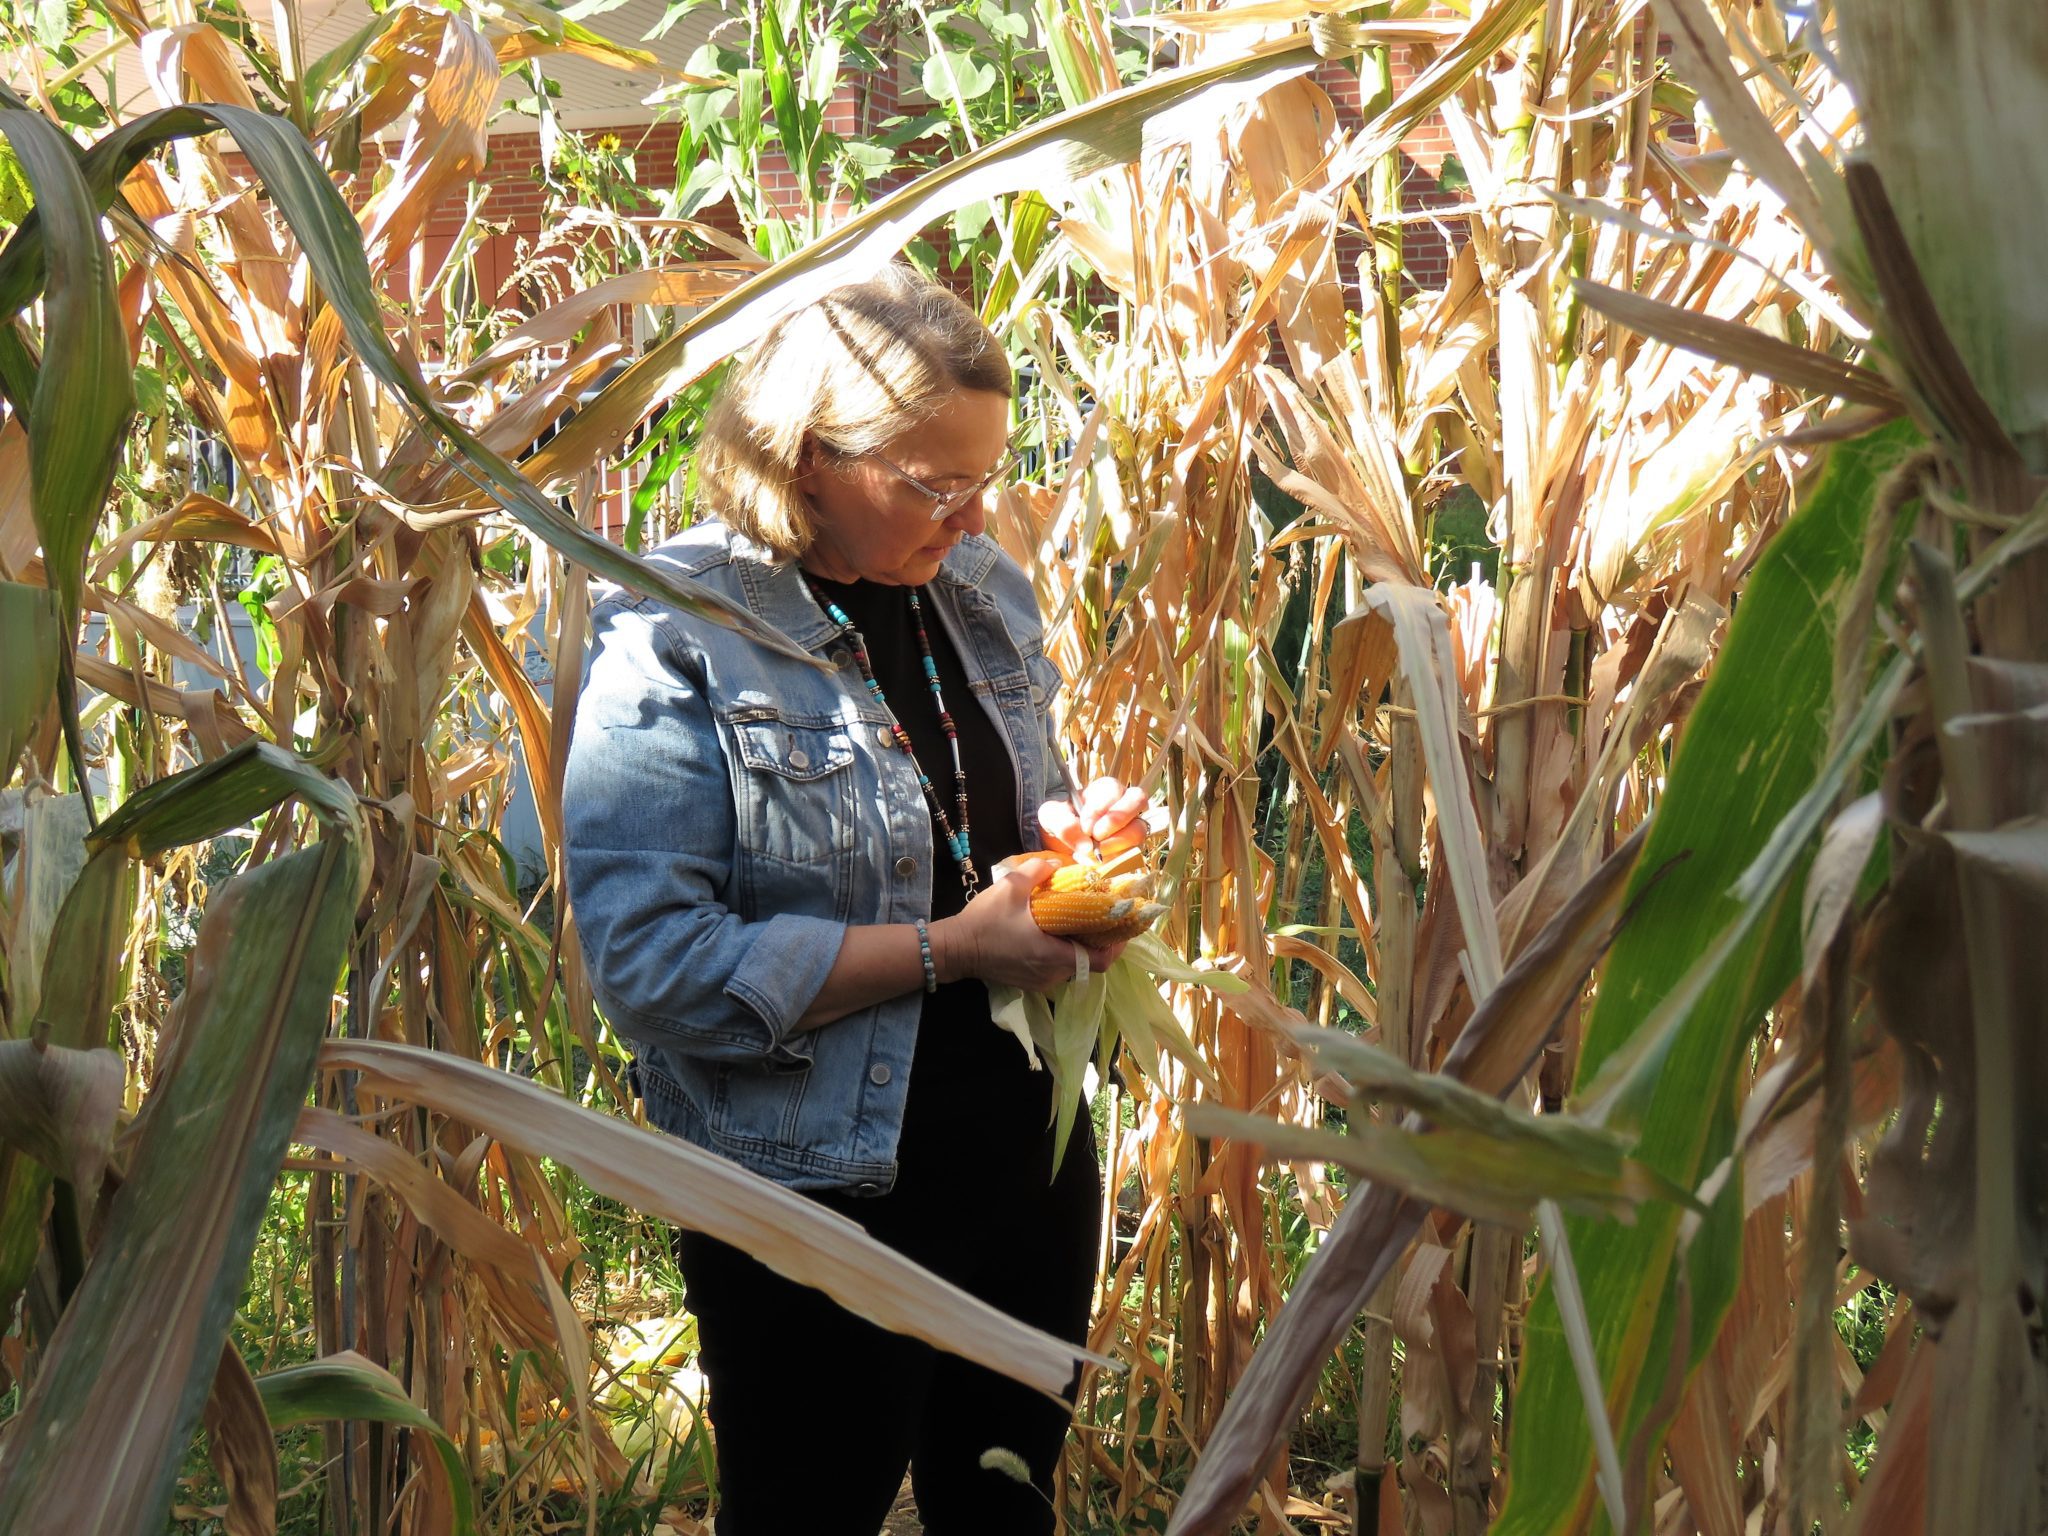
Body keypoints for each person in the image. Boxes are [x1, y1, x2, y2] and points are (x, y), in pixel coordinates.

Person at [562, 263, 1149, 1536]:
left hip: (1019, 1148)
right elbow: (653, 964)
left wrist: (1071, 863)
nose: (971, 512)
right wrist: (952, 947)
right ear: (811, 456)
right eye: (934, 484)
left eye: (984, 475)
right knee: (802, 1511)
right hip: (812, 1184)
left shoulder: (978, 592)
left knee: (1000, 1505)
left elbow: (999, 816)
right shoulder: (676, 629)